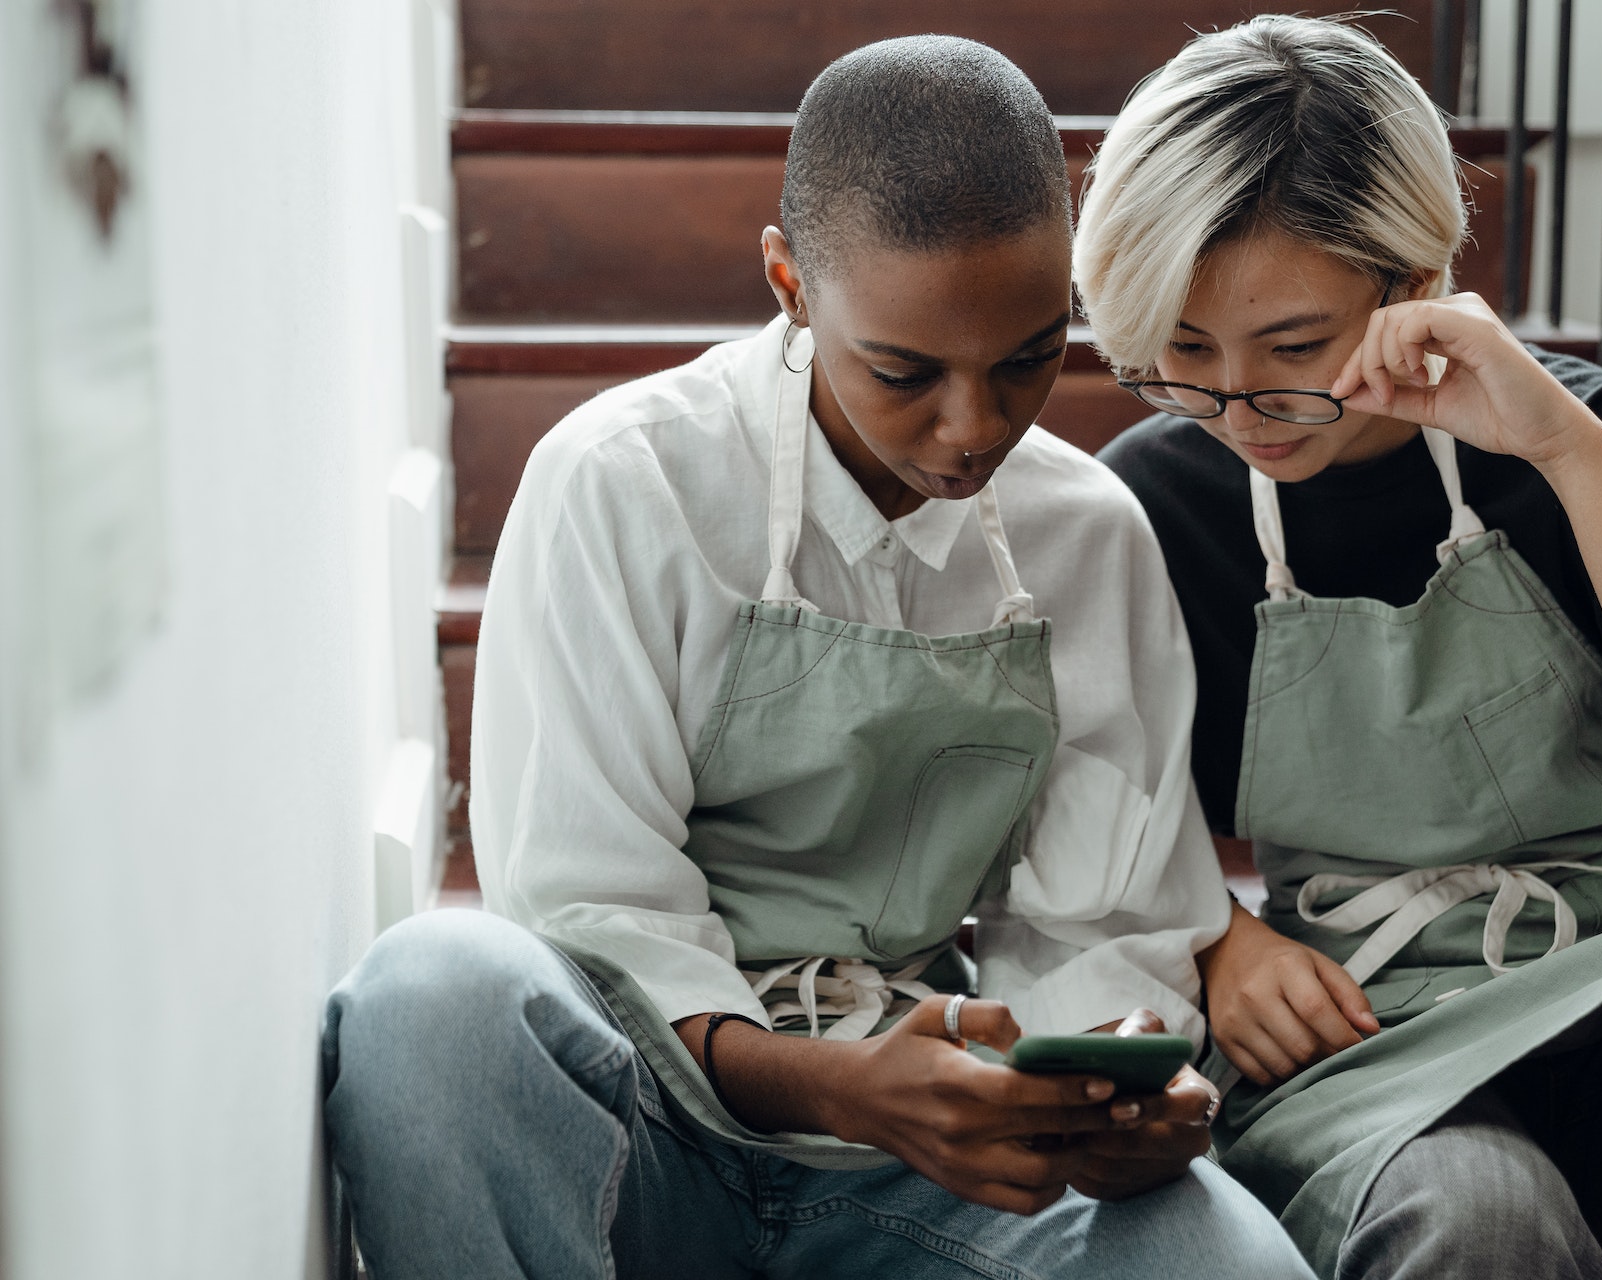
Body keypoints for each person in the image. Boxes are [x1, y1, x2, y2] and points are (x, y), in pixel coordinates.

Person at [321, 35, 1311, 1280]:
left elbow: (1102, 921)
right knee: (431, 993)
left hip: (932, 1162)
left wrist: (1101, 1099)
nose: (973, 429)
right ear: (789, 282)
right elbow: (588, 906)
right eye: (904, 372)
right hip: (650, 1131)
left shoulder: (1090, 533)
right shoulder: (624, 485)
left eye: (1026, 361)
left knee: (1233, 1263)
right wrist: (844, 1088)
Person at [1077, 14, 1602, 1279]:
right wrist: (1214, 933)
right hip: (1374, 1051)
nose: (1238, 408)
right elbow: (1082, 831)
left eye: (1292, 349)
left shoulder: (1601, 441)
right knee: (1478, 1216)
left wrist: (1569, 456)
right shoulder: (1151, 500)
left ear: (1414, 283)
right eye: (1183, 354)